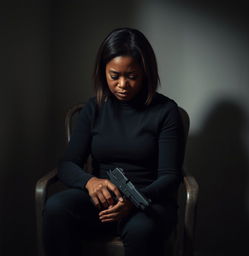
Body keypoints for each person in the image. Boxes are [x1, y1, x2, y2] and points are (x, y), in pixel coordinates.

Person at [43, 27, 184, 256]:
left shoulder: (166, 111)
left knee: (142, 231)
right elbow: (67, 164)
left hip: (148, 201)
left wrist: (134, 199)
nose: (122, 85)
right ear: (103, 72)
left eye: (131, 76)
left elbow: (170, 177)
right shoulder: (94, 108)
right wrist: (91, 183)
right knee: (56, 208)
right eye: (114, 76)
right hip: (102, 200)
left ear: (146, 73)